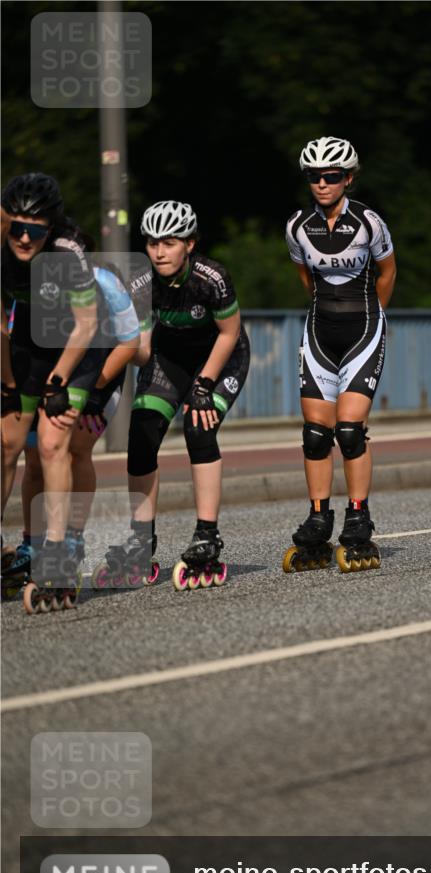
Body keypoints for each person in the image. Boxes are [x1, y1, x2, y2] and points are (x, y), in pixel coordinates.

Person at [95, 200, 250, 591]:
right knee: (141, 437)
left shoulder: (212, 277)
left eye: (169, 243)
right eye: (152, 243)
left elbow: (230, 334)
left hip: (220, 358)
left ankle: (207, 536)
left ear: (190, 244)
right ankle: (140, 541)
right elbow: (143, 350)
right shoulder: (141, 282)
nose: (160, 252)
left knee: (199, 429)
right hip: (169, 359)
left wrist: (203, 385)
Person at [283, 136, 397, 573]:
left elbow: (388, 272)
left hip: (363, 329)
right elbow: (305, 279)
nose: (322, 183)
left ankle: (358, 515)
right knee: (316, 433)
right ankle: (318, 517)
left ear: (348, 178)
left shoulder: (369, 222)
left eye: (331, 176)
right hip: (319, 331)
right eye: (314, 176)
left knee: (349, 430)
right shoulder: (297, 226)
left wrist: (375, 317)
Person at [3, 264, 140, 597]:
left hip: (101, 370)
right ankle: (33, 542)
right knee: (35, 456)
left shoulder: (103, 281)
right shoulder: (28, 280)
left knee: (76, 448)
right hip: (54, 369)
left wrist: (94, 392)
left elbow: (129, 344)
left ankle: (73, 539)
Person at [0, 173, 99, 610]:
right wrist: (7, 383)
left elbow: (87, 324)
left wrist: (58, 380)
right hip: (27, 341)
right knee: (7, 444)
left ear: (51, 227)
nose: (24, 238)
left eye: (35, 230)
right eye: (17, 228)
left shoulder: (67, 250)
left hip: (76, 345)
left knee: (52, 443)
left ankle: (56, 551)